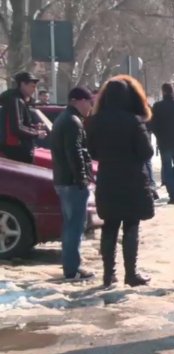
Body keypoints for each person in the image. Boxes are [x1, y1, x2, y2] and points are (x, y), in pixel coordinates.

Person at [87, 75, 155, 288]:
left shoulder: (95, 120)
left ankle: (108, 275)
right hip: (132, 179)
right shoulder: (133, 121)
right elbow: (147, 151)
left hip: (107, 179)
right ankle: (131, 273)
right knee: (131, 225)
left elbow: (91, 151)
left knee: (109, 226)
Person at [50, 86, 96, 281]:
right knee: (75, 225)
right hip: (72, 182)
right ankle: (72, 269)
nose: (90, 108)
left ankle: (70, 265)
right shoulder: (73, 122)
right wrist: (82, 177)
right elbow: (75, 152)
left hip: (63, 180)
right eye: (89, 103)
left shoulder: (64, 119)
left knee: (70, 224)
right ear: (78, 100)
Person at [0, 72, 48, 163]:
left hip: (14, 150)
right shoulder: (16, 100)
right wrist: (36, 133)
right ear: (22, 84)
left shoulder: (16, 99)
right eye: (32, 86)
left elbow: (18, 124)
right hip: (18, 152)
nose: (34, 90)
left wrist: (33, 127)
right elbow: (17, 128)